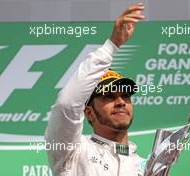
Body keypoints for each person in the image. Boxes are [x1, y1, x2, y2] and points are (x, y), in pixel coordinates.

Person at [45, 3, 147, 176]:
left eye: (125, 96)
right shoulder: (73, 151)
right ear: (89, 113)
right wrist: (112, 46)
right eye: (109, 97)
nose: (121, 102)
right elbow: (67, 104)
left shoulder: (144, 165)